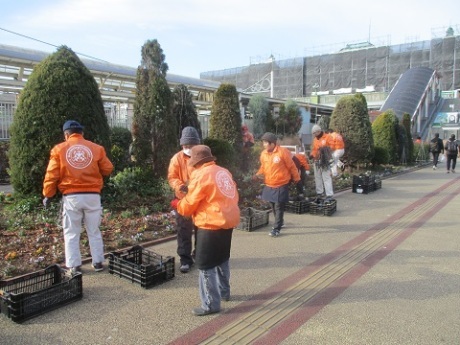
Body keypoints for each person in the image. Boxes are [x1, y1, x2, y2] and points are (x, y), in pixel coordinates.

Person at [174, 145, 240, 316]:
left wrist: (178, 204)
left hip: (210, 224)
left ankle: (211, 304)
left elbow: (189, 206)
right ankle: (224, 292)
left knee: (205, 266)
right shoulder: (223, 171)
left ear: (196, 163)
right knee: (222, 259)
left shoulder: (200, 175)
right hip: (227, 222)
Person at [42, 120, 113, 274]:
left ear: (66, 134)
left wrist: (48, 194)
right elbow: (108, 168)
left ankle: (74, 265)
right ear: (82, 133)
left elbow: (51, 175)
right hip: (93, 195)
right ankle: (98, 262)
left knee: (71, 232)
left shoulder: (59, 150)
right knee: (94, 230)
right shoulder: (96, 148)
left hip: (71, 196)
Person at [253, 132, 300, 237]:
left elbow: (292, 166)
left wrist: (297, 178)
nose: (264, 145)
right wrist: (257, 174)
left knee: (279, 206)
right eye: (263, 143)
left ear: (272, 143)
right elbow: (263, 167)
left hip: (281, 183)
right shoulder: (264, 154)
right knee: (273, 204)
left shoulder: (283, 152)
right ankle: (280, 222)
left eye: (265, 143)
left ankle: (276, 228)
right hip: (269, 184)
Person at [168, 126, 201, 273]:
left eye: (191, 146)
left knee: (201, 230)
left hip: (200, 200)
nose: (188, 148)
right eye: (185, 146)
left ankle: (199, 255)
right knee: (183, 230)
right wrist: (180, 186)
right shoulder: (177, 158)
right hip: (183, 200)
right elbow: (172, 177)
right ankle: (185, 259)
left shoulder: (202, 157)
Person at [309, 124, 334, 201]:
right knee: (318, 177)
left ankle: (329, 194)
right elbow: (314, 150)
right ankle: (320, 193)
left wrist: (324, 149)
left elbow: (332, 147)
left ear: (319, 131)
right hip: (317, 161)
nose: (314, 135)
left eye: (315, 133)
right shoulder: (315, 140)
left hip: (325, 160)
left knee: (326, 177)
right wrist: (312, 155)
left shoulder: (328, 137)